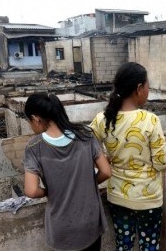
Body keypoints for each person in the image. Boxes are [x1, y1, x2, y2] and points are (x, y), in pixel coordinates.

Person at [90, 62, 166, 251]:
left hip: (118, 196)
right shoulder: (150, 120)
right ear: (139, 88)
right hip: (148, 198)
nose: (148, 91)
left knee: (123, 245)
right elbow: (162, 163)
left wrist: (107, 159)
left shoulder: (101, 119)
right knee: (149, 246)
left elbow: (88, 148)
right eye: (148, 86)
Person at [23, 93, 111, 251]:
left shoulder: (33, 147)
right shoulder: (85, 134)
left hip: (62, 227)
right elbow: (105, 171)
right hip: (90, 222)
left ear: (36, 119)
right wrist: (89, 182)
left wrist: (48, 191)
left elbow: (31, 191)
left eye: (29, 121)